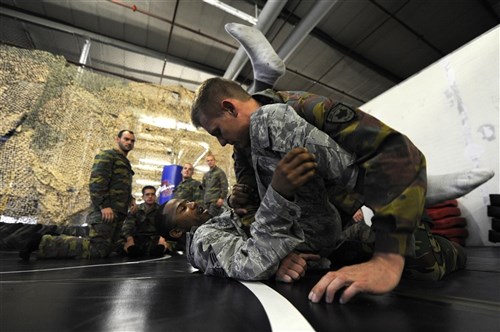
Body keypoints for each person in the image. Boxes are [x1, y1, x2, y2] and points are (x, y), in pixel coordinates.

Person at [189, 76, 474, 304]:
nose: (222, 143)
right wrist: (277, 254)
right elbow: (249, 208)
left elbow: (398, 153)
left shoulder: (305, 109)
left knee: (425, 264)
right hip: (309, 242)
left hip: (345, 221)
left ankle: (436, 237)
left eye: (217, 132)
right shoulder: (242, 148)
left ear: (230, 107)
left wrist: (387, 259)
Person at [19, 130, 137, 260]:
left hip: (118, 213)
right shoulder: (107, 156)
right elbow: (97, 182)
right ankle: (43, 242)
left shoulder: (125, 162)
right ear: (117, 139)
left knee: (106, 250)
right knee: (96, 250)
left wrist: (131, 200)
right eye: (126, 139)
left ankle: (54, 237)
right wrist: (104, 205)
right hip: (105, 212)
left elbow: (121, 186)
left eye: (132, 141)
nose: (129, 142)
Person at [121, 185, 169, 257]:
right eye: (147, 194)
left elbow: (165, 226)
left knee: (160, 250)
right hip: (138, 238)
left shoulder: (161, 210)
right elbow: (127, 226)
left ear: (155, 196)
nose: (150, 196)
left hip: (155, 238)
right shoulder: (136, 210)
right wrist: (129, 239)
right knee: (125, 247)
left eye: (152, 194)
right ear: (143, 197)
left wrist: (162, 240)